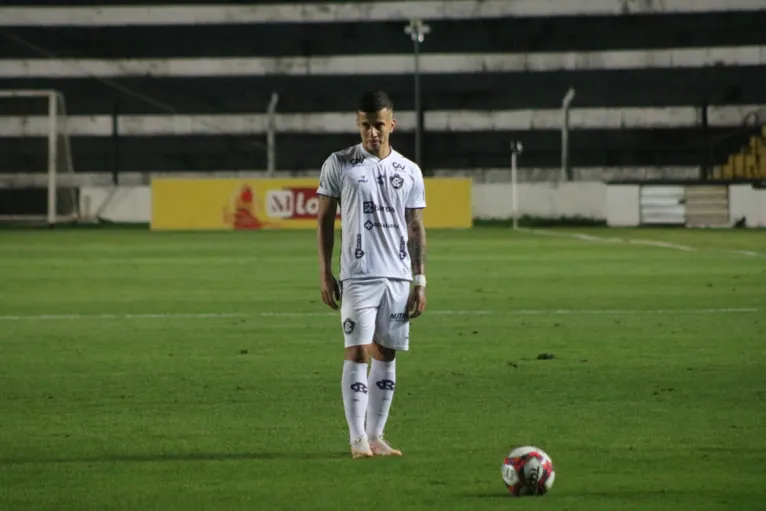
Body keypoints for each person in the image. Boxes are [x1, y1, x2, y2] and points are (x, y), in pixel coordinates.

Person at [315, 90, 427, 459]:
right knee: (357, 352)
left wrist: (419, 279)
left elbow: (415, 227)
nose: (372, 132)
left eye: (379, 125)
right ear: (357, 124)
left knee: (387, 353)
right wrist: (325, 273)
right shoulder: (339, 163)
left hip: (396, 277)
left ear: (391, 124)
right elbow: (324, 221)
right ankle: (357, 438)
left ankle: (377, 436)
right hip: (358, 276)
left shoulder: (409, 170)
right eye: (366, 125)